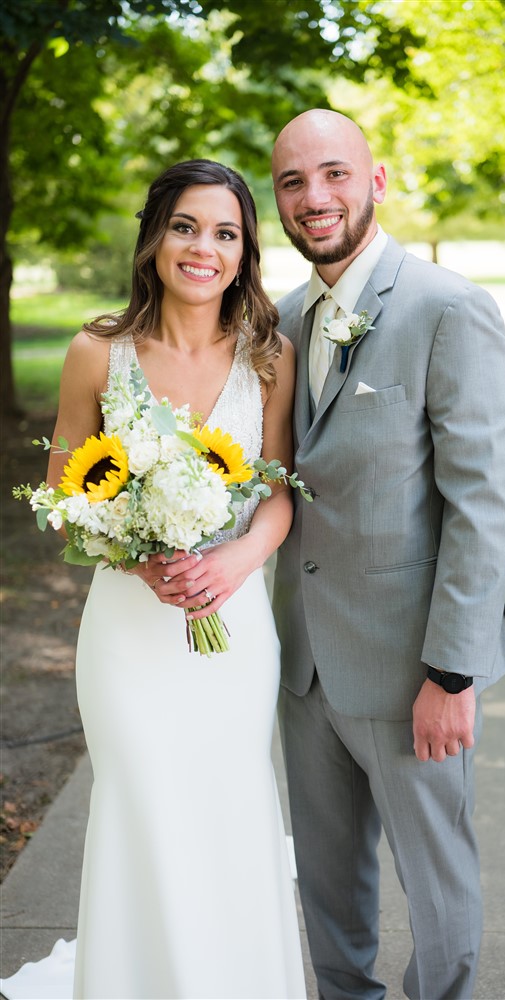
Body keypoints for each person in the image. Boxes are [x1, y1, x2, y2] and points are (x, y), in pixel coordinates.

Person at [17, 160, 305, 999]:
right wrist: (138, 554)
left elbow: (280, 490)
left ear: (245, 252)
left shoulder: (270, 356)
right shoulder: (95, 352)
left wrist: (237, 561)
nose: (203, 248)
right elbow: (66, 496)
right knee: (141, 810)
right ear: (153, 240)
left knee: (228, 808)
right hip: (128, 634)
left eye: (225, 232)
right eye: (185, 226)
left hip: (234, 628)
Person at [271, 110, 505, 1000]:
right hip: (305, 667)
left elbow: (484, 505)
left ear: (375, 182)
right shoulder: (283, 321)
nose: (315, 198)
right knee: (328, 891)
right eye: (294, 183)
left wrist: (452, 674)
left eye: (335, 174)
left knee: (438, 890)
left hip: (411, 670)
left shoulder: (447, 308)